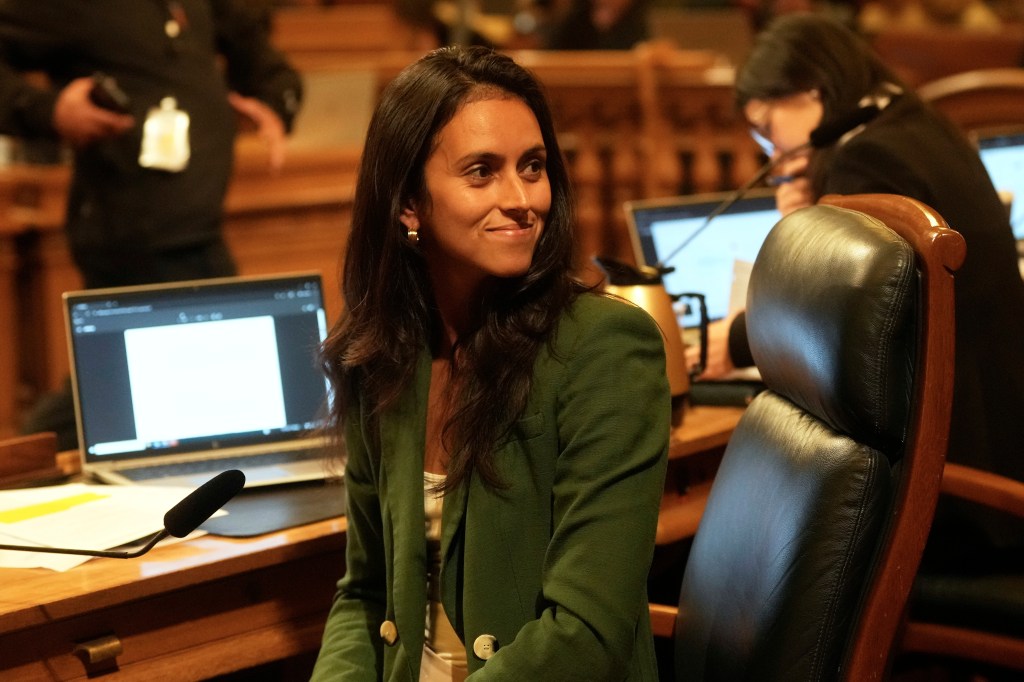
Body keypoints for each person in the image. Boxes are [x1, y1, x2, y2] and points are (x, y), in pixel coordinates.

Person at [310, 46, 670, 681]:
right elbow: (365, 596)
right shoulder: (382, 357)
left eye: (532, 167)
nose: (521, 198)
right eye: (482, 172)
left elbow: (586, 633)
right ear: (408, 205)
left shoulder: (604, 346)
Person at [696, 12, 1024, 569]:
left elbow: (841, 318)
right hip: (1001, 457)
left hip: (959, 506)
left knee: (744, 548)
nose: (772, 152)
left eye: (768, 127)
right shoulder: (917, 123)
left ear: (809, 94)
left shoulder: (866, 158)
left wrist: (737, 338)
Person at [0, 1, 302, 448]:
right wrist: (48, 111)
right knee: (117, 403)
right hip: (128, 234)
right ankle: (19, 471)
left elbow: (250, 39)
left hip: (199, 227)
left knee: (198, 402)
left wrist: (273, 100)